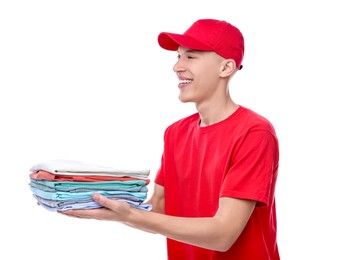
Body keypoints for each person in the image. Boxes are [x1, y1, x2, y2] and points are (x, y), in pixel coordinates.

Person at [61, 18, 280, 260]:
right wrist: (94, 199)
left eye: (191, 57)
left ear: (225, 68)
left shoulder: (254, 132)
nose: (177, 67)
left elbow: (223, 234)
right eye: (178, 56)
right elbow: (158, 208)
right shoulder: (175, 133)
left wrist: (128, 215)